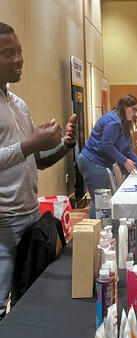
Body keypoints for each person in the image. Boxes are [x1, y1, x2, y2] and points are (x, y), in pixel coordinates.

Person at [0, 22, 77, 320]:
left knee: (30, 298)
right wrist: (31, 142)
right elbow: (26, 148)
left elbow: (37, 159)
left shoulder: (18, 103)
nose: (19, 59)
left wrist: (64, 144)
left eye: (19, 51)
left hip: (30, 215)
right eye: (8, 53)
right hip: (4, 222)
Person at [78, 94, 137, 218]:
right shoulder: (114, 121)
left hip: (99, 161)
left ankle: (102, 230)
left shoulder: (123, 122)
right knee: (100, 201)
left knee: (104, 199)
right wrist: (124, 161)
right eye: (133, 109)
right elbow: (106, 145)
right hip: (93, 161)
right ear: (125, 107)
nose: (135, 113)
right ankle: (96, 232)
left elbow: (126, 148)